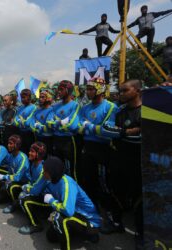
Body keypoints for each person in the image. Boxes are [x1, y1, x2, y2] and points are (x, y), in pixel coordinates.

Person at [101, 79, 142, 237]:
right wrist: (129, 131)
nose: (121, 93)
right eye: (120, 90)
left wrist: (122, 133)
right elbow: (105, 128)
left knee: (139, 197)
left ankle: (141, 234)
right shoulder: (119, 110)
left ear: (137, 90)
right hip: (119, 158)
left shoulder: (147, 110)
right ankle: (116, 223)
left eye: (125, 90)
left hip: (138, 159)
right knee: (116, 192)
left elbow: (144, 136)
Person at [78, 77, 119, 232]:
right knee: (88, 181)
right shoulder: (85, 108)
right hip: (88, 148)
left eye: (91, 89)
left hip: (103, 150)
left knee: (105, 185)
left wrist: (90, 127)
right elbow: (79, 128)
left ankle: (113, 219)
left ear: (100, 89)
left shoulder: (110, 107)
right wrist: (95, 128)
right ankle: (91, 212)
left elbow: (108, 132)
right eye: (87, 89)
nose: (88, 92)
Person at [43, 156, 101, 250]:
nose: (43, 172)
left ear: (52, 172)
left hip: (89, 221)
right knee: (51, 237)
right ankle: (76, 233)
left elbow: (68, 210)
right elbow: (44, 192)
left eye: (45, 170)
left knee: (59, 219)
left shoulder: (66, 183)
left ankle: (90, 234)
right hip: (75, 214)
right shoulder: (51, 180)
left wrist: (51, 201)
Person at [44, 80, 80, 179]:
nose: (58, 92)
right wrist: (62, 122)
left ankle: (71, 190)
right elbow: (48, 123)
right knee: (57, 167)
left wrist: (55, 124)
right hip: (56, 139)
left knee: (69, 170)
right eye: (58, 89)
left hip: (68, 141)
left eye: (61, 89)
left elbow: (72, 125)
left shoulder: (75, 105)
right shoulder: (55, 106)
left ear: (68, 90)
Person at [18, 142, 50, 234]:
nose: (29, 153)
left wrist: (26, 189)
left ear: (39, 154)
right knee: (21, 194)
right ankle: (38, 213)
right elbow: (33, 183)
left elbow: (35, 191)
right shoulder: (34, 164)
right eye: (30, 151)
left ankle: (36, 225)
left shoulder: (43, 169)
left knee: (25, 200)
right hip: (40, 194)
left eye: (32, 151)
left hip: (48, 200)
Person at [0, 135, 29, 210]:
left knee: (10, 185)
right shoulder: (11, 155)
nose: (8, 145)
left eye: (11, 143)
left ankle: (14, 204)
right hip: (12, 179)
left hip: (22, 183)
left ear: (17, 145)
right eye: (8, 143)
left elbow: (17, 177)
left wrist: (4, 177)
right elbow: (9, 171)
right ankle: (8, 197)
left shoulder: (23, 158)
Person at [28, 89, 53, 154]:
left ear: (48, 98)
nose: (40, 99)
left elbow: (48, 127)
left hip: (48, 139)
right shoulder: (37, 111)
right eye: (40, 97)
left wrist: (37, 125)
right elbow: (31, 123)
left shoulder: (52, 110)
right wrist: (38, 127)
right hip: (38, 138)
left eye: (43, 97)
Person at [14, 89, 37, 153]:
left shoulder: (34, 107)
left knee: (30, 151)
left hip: (29, 134)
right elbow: (15, 121)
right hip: (21, 133)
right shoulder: (20, 108)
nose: (22, 99)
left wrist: (19, 121)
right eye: (21, 98)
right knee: (22, 151)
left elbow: (28, 123)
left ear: (29, 97)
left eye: (24, 97)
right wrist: (21, 121)